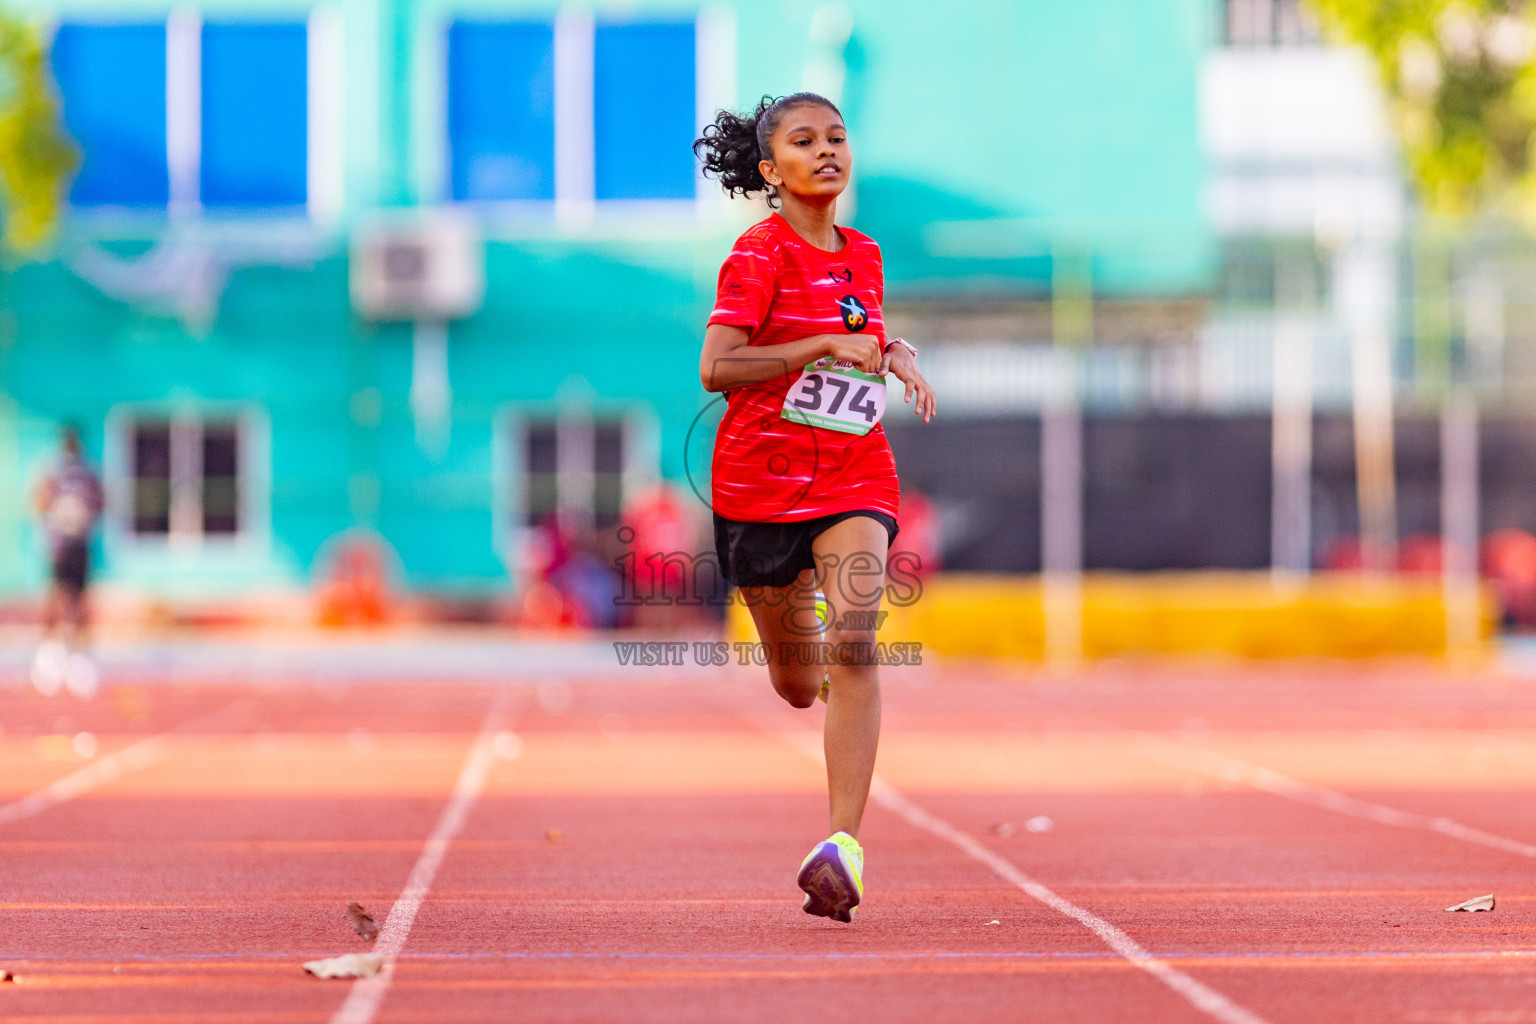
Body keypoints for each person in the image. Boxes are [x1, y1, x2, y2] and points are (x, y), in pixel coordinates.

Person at [694, 93, 936, 923]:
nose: (827, 151)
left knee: (858, 639)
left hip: (852, 471)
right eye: (805, 142)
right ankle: (827, 676)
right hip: (760, 488)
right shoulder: (757, 255)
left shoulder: (863, 253)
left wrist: (890, 349)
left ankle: (842, 847)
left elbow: (858, 328)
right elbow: (717, 368)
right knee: (798, 687)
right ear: (772, 169)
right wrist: (819, 348)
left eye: (837, 137)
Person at [31, 424, 103, 698]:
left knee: (79, 600)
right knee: (57, 597)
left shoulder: (87, 473)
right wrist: (51, 526)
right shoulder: (54, 472)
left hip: (78, 542)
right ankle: (49, 653)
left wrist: (83, 518)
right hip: (60, 543)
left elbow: (100, 501)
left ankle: (79, 657)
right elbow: (40, 501)